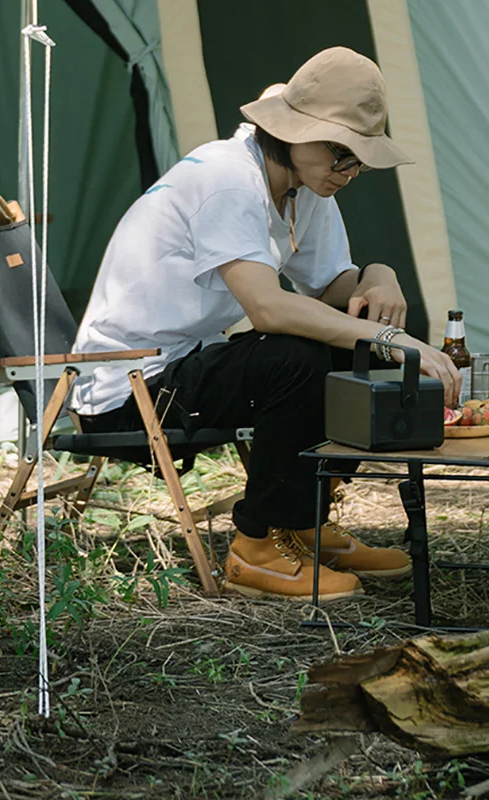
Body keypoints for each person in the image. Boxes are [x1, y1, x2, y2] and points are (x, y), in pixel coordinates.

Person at [70, 47, 460, 601]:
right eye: (341, 153)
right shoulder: (229, 179)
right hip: (126, 387)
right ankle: (255, 548)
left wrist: (382, 275)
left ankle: (305, 524)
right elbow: (268, 308)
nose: (349, 172)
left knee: (345, 341)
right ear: (292, 132)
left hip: (185, 364)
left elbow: (334, 291)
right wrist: (389, 337)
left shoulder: (304, 186)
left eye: (359, 161)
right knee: (295, 356)